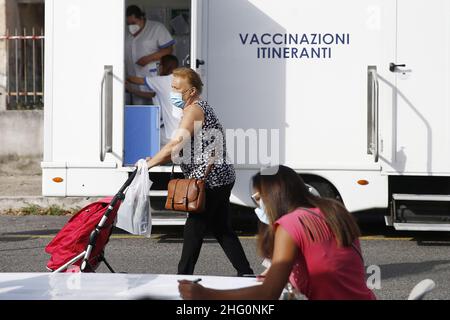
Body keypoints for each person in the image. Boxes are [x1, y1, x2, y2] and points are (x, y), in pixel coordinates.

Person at [178, 165, 376, 300]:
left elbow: (269, 293)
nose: (259, 204)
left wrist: (206, 295)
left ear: (274, 195)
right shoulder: (332, 210)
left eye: (259, 197)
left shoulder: (290, 224)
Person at [144, 67, 254, 276]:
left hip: (210, 180)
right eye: (172, 87)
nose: (173, 92)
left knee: (194, 229)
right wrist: (156, 158)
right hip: (220, 176)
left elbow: (176, 143)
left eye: (178, 89)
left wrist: (149, 165)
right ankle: (246, 272)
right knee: (222, 228)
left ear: (192, 91)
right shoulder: (194, 107)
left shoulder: (194, 109)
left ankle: (183, 276)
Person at [126, 55, 183, 145]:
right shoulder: (181, 80)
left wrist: (122, 75)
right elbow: (152, 94)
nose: (158, 68)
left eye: (159, 65)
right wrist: (131, 90)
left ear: (164, 66)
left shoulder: (163, 80)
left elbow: (137, 80)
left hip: (171, 134)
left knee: (142, 136)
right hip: (187, 132)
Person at [125, 5, 175, 105]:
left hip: (152, 77)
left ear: (141, 18)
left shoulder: (156, 28)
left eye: (134, 23)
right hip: (134, 80)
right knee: (138, 111)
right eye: (128, 23)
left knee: (155, 109)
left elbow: (169, 49)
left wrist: (149, 58)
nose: (131, 26)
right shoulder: (126, 33)